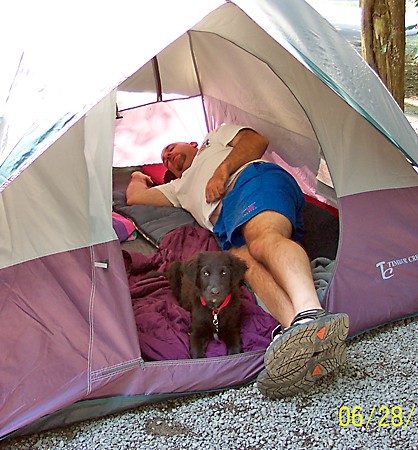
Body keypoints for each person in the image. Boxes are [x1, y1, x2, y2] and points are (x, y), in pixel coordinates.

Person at [126, 124, 349, 399]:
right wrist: (137, 173)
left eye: (171, 147)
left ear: (193, 144)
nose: (168, 155)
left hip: (250, 181)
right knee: (244, 262)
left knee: (263, 238)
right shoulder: (176, 188)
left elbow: (257, 140)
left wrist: (221, 172)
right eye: (164, 159)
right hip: (228, 226)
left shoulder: (213, 140)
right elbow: (134, 197)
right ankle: (302, 337)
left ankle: (312, 314)